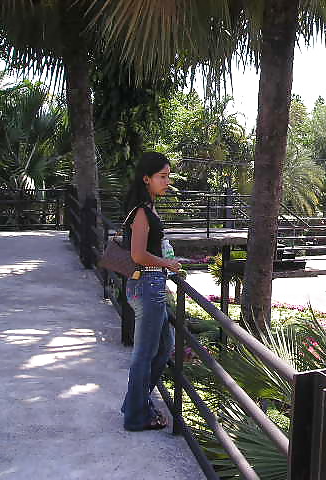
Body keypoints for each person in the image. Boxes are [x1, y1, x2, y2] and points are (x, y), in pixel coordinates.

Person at [121, 152, 183, 431]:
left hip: (151, 284)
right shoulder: (142, 212)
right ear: (146, 178)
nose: (167, 181)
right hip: (147, 284)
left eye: (168, 176)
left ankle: (135, 403)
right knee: (144, 354)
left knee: (165, 346)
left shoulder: (149, 207)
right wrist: (167, 263)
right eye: (162, 176)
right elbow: (137, 254)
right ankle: (136, 417)